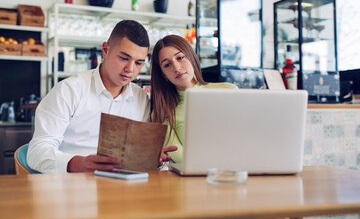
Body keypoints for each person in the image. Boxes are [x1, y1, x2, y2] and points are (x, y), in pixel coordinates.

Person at [27, 20, 176, 174]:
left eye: (138, 63)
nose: (130, 69)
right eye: (124, 58)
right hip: (73, 185)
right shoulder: (69, 90)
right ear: (105, 50)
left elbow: (140, 158)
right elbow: (37, 152)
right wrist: (78, 163)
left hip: (123, 190)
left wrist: (151, 158)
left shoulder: (141, 98)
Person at [150, 34, 238, 163]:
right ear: (163, 74)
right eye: (167, 65)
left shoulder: (229, 91)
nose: (176, 67)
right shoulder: (163, 112)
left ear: (191, 57)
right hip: (197, 179)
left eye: (180, 58)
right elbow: (183, 161)